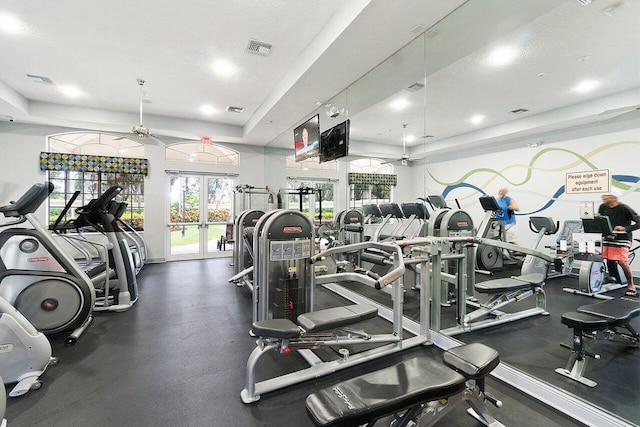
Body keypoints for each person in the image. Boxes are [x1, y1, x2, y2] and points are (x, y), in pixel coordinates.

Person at [598, 190, 639, 297]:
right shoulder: (603, 207)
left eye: (606, 196)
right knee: (608, 258)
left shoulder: (624, 208)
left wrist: (625, 228)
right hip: (609, 237)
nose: (603, 197)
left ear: (614, 197)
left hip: (623, 238)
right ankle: (614, 277)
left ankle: (631, 285)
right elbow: (601, 220)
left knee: (621, 261)